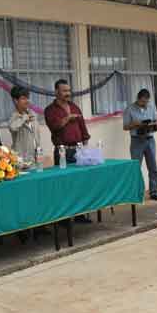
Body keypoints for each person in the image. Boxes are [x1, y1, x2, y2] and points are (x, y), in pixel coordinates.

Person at [45, 79, 92, 223]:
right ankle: (63, 218)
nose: (68, 93)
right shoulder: (50, 110)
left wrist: (85, 144)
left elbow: (83, 127)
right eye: (64, 91)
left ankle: (80, 215)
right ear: (56, 92)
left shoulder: (74, 107)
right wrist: (67, 118)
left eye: (69, 90)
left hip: (78, 150)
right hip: (62, 151)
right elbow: (54, 127)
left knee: (79, 183)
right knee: (63, 184)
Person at [124, 89, 157, 201]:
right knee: (136, 168)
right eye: (143, 102)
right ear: (138, 99)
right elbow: (125, 127)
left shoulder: (151, 107)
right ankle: (136, 193)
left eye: (146, 101)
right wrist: (134, 124)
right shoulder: (129, 109)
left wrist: (156, 123)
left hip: (150, 139)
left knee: (153, 167)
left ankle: (154, 192)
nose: (145, 104)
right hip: (137, 140)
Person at [8, 86, 41, 163]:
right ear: (16, 101)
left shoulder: (32, 114)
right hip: (21, 159)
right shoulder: (14, 116)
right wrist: (24, 118)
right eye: (23, 98)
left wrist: (39, 151)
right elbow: (12, 127)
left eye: (28, 98)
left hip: (35, 157)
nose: (27, 101)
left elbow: (36, 136)